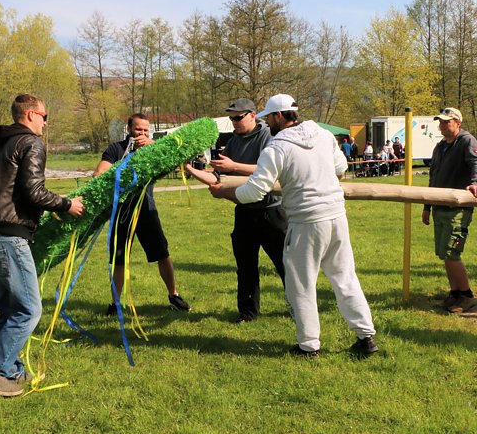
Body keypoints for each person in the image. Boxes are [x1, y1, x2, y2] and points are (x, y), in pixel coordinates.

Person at [210, 94, 378, 357]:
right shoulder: (323, 135)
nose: (267, 122)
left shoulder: (277, 147)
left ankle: (308, 345)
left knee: (300, 285)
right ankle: (366, 337)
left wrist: (225, 193)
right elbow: (341, 167)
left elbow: (255, 191)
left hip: (306, 221)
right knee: (345, 278)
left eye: (269, 117)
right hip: (336, 216)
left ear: (279, 116)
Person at [0, 94, 85, 396]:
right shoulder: (31, 143)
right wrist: (67, 203)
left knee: (10, 308)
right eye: (45, 117)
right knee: (29, 310)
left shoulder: (2, 145)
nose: (46, 123)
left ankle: (8, 369)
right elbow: (34, 192)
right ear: (32, 115)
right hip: (7, 237)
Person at [184, 98, 286, 324]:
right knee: (245, 266)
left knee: (285, 264)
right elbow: (218, 178)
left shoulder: (269, 137)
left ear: (252, 115)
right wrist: (189, 169)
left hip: (271, 212)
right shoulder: (233, 142)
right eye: (231, 118)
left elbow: (272, 171)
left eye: (238, 117)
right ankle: (248, 313)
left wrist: (234, 167)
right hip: (244, 211)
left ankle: (298, 305)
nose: (234, 122)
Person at [94, 113, 190, 313]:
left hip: (147, 210)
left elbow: (174, 157)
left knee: (162, 254)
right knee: (118, 259)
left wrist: (153, 147)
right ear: (129, 129)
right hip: (122, 213)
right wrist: (125, 161)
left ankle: (174, 295)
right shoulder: (115, 149)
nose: (142, 133)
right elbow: (99, 174)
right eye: (138, 129)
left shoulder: (154, 148)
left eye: (146, 130)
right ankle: (115, 304)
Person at [421, 107, 477, 313]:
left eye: (446, 122)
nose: (441, 125)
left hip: (457, 208)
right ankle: (455, 293)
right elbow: (433, 177)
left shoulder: (467, 141)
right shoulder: (440, 146)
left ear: (458, 122)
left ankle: (466, 295)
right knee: (444, 253)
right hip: (439, 207)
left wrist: (476, 183)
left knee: (452, 252)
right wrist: (427, 206)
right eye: (440, 122)